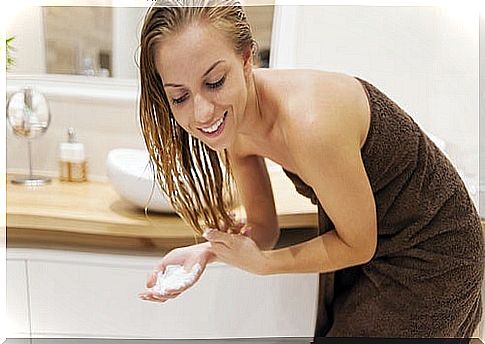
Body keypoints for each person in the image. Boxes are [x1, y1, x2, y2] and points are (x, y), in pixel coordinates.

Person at [136, 0, 484, 337]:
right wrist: (207, 251)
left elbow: (358, 244)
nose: (201, 113)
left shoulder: (310, 123)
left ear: (246, 59)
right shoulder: (234, 128)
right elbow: (264, 229)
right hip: (374, 245)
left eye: (215, 82)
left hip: (434, 250)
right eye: (179, 97)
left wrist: (265, 265)